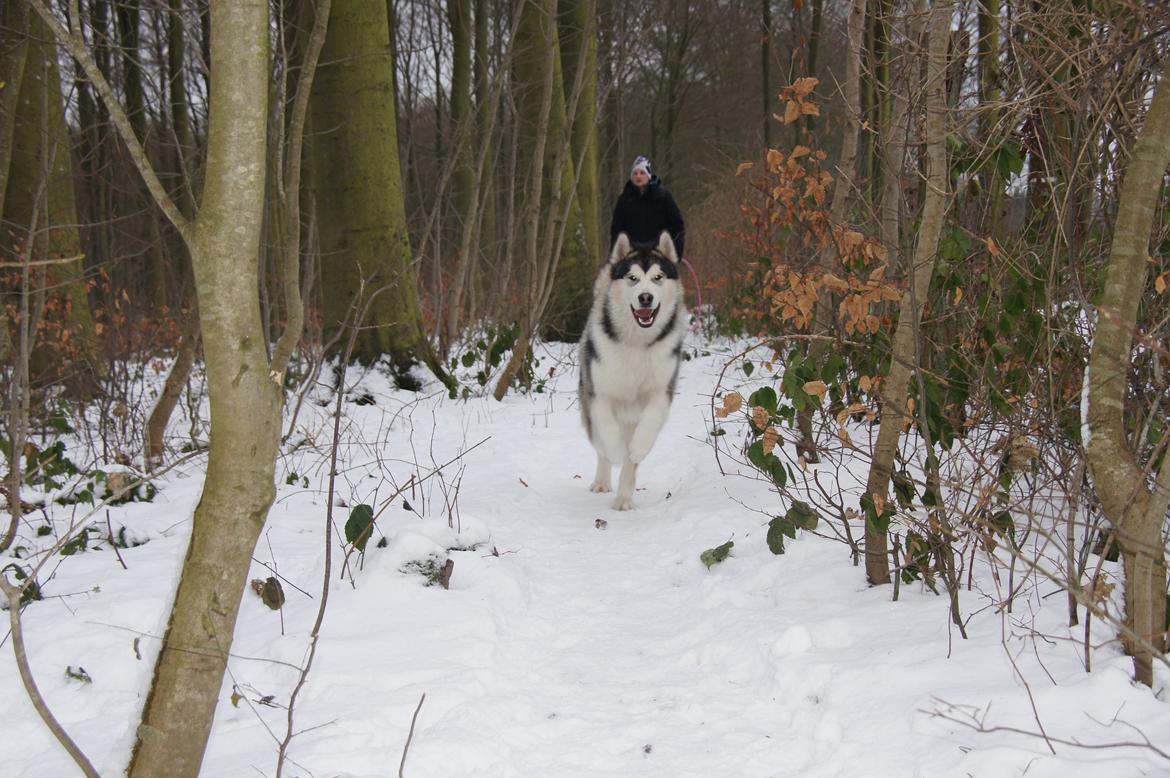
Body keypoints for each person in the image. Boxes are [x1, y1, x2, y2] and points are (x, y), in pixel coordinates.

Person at [609, 155, 685, 259]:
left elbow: (677, 226)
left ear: (648, 175)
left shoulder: (663, 197)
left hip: (659, 255)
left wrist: (676, 253)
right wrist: (614, 256)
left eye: (642, 173)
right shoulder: (624, 200)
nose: (638, 176)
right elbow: (616, 231)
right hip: (633, 256)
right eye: (635, 173)